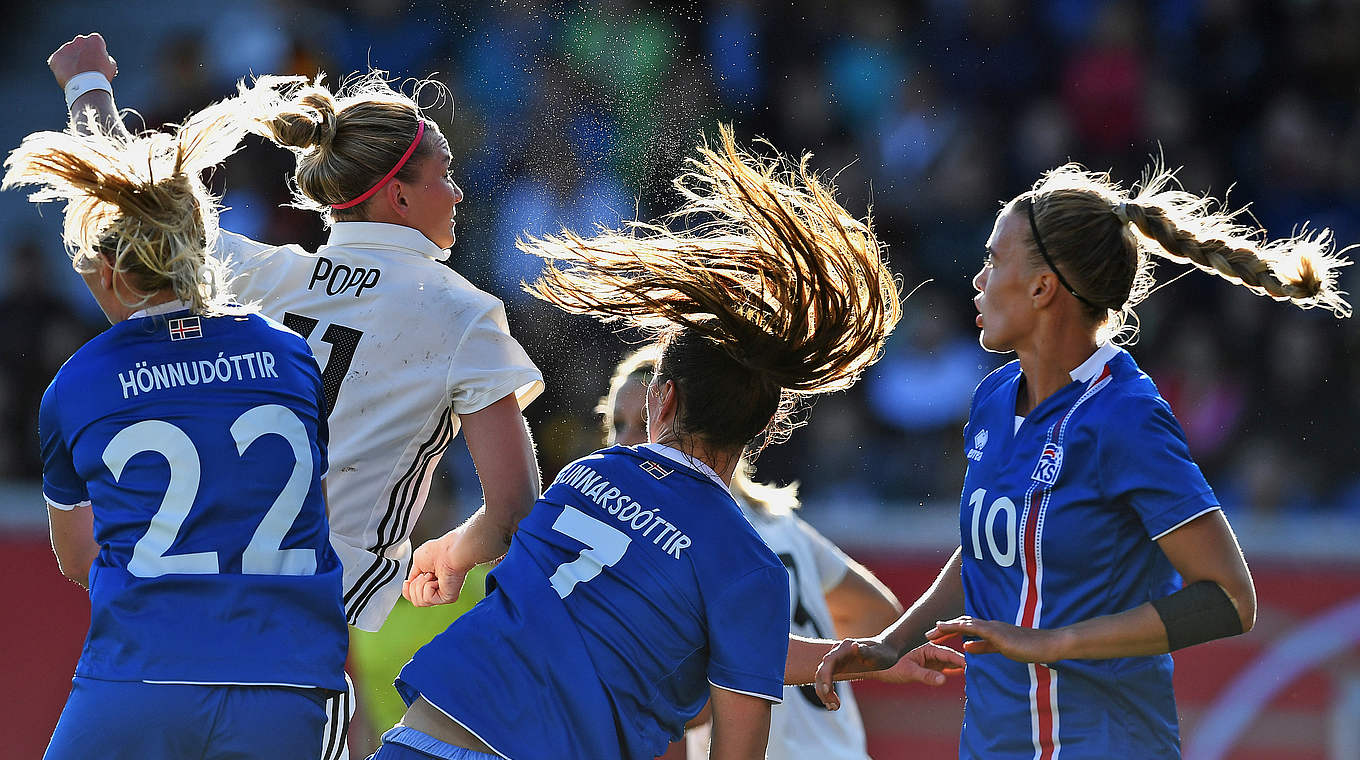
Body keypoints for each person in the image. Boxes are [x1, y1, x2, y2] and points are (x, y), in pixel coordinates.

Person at [370, 126, 962, 760]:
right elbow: (726, 679)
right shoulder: (748, 565)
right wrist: (858, 658)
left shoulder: (590, 475)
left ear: (665, 400)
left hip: (424, 734)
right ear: (761, 430)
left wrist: (451, 554)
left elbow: (572, 569)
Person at [49, 34, 544, 760]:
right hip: (297, 634)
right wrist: (452, 552)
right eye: (446, 173)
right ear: (398, 192)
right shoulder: (462, 313)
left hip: (173, 613)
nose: (461, 191)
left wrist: (88, 87)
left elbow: (125, 199)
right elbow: (515, 512)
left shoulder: (253, 275)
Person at [815, 163, 1352, 758]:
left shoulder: (1127, 417)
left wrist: (1055, 642)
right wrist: (892, 643)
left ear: (1043, 288)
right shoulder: (993, 396)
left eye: (993, 260)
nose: (978, 279)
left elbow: (1230, 598)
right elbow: (991, 549)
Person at [4, 81, 347, 759]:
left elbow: (80, 559)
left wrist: (86, 89)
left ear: (107, 270)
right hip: (286, 682)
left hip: (140, 676)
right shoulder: (290, 355)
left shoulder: (79, 382)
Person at [599, 346, 905, 760]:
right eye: (617, 425)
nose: (625, 441)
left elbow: (684, 708)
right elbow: (878, 613)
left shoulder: (671, 539)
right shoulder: (779, 522)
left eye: (641, 423)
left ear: (670, 410)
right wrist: (812, 658)